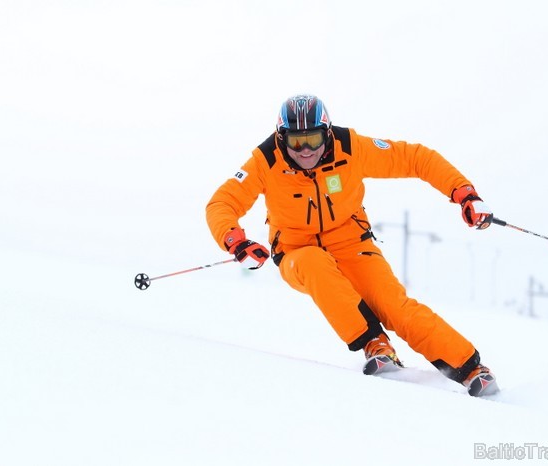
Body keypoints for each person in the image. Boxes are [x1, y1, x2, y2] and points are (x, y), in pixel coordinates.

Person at [206, 94, 498, 396]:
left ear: (328, 134)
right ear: (281, 139)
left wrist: (464, 193)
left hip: (352, 243)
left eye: (313, 139)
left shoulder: (351, 148)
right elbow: (222, 202)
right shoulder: (265, 161)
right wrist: (235, 241)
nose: (305, 150)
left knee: (394, 307)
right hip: (296, 251)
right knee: (314, 263)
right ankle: (375, 343)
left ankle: (471, 369)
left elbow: (417, 158)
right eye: (296, 142)